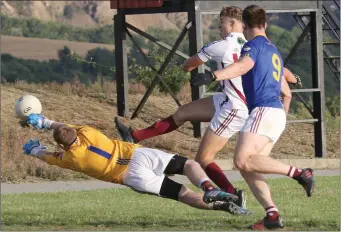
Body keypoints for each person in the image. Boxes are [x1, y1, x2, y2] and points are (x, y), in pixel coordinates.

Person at [115, 6, 301, 209]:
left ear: (232, 23)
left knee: (203, 158)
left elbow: (188, 65)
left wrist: (199, 63)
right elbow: (283, 71)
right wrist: (294, 79)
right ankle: (136, 137)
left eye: (221, 23)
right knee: (183, 112)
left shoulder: (222, 45)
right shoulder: (255, 44)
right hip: (228, 99)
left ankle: (233, 195)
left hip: (234, 106)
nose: (219, 28)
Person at [190, 5, 315, 230]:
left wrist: (212, 75)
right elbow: (287, 91)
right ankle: (272, 215)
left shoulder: (252, 45)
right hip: (274, 113)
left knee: (241, 160)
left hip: (263, 110)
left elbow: (241, 66)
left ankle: (299, 173)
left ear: (244, 26)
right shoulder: (273, 50)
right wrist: (280, 117)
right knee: (249, 168)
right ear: (265, 24)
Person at [22, 113, 251, 216]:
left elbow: (50, 156)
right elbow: (64, 126)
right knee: (188, 164)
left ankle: (223, 207)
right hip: (137, 154)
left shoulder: (72, 159)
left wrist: (35, 150)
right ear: (76, 131)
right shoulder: (88, 132)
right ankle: (210, 188)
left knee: (182, 194)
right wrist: (46, 122)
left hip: (131, 175)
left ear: (63, 146)